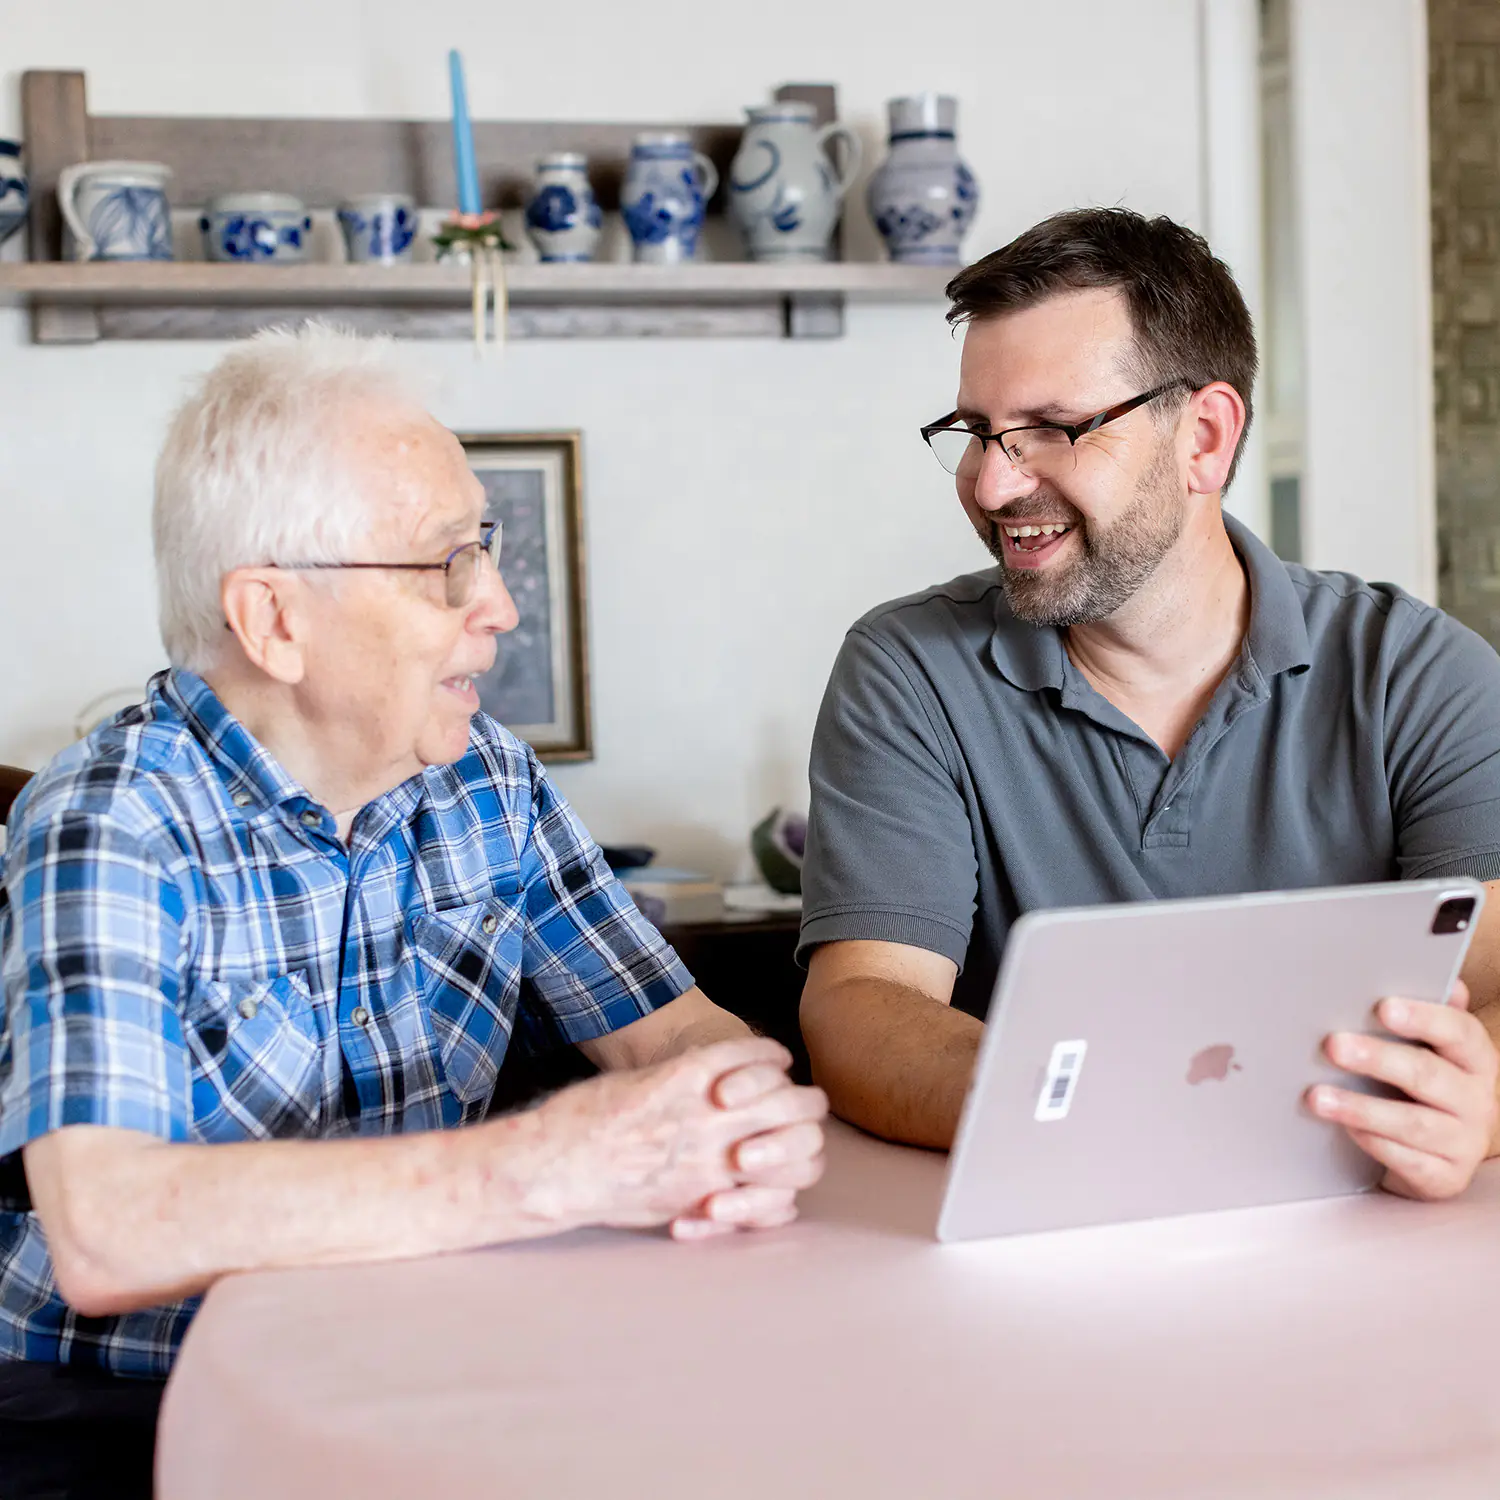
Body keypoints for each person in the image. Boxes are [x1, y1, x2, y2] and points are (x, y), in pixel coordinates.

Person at [0, 326, 826, 1498]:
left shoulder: (487, 777)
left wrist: (736, 1109)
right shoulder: (114, 820)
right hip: (121, 1408)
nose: (498, 605)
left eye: (484, 550)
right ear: (273, 619)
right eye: (446, 563)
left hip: (416, 1358)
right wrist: (547, 1166)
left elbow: (672, 1029)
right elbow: (105, 1230)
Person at [797, 207, 1500, 1196]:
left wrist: (1484, 1096)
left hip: (1366, 1238)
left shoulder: (1421, 675)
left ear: (1203, 438)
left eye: (1051, 428)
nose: (994, 484)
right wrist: (1123, 1113)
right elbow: (866, 1003)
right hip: (1054, 1235)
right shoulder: (907, 671)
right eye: (976, 432)